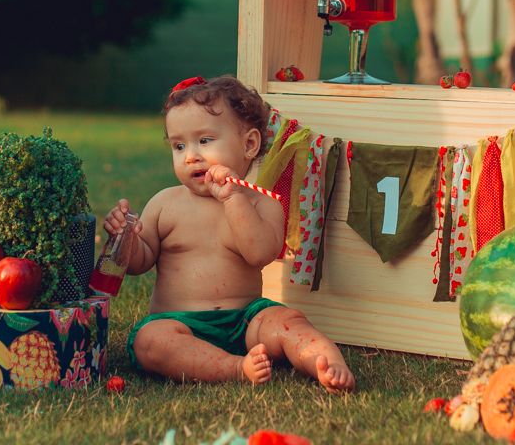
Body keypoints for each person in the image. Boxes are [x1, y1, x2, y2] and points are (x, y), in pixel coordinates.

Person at [103, 75, 355, 392]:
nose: (190, 155)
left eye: (204, 141)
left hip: (247, 322)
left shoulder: (263, 204)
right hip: (181, 325)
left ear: (248, 144)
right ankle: (235, 367)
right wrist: (125, 236)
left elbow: (259, 253)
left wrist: (233, 198)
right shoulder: (166, 203)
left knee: (288, 321)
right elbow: (140, 261)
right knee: (150, 341)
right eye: (179, 146)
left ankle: (327, 364)